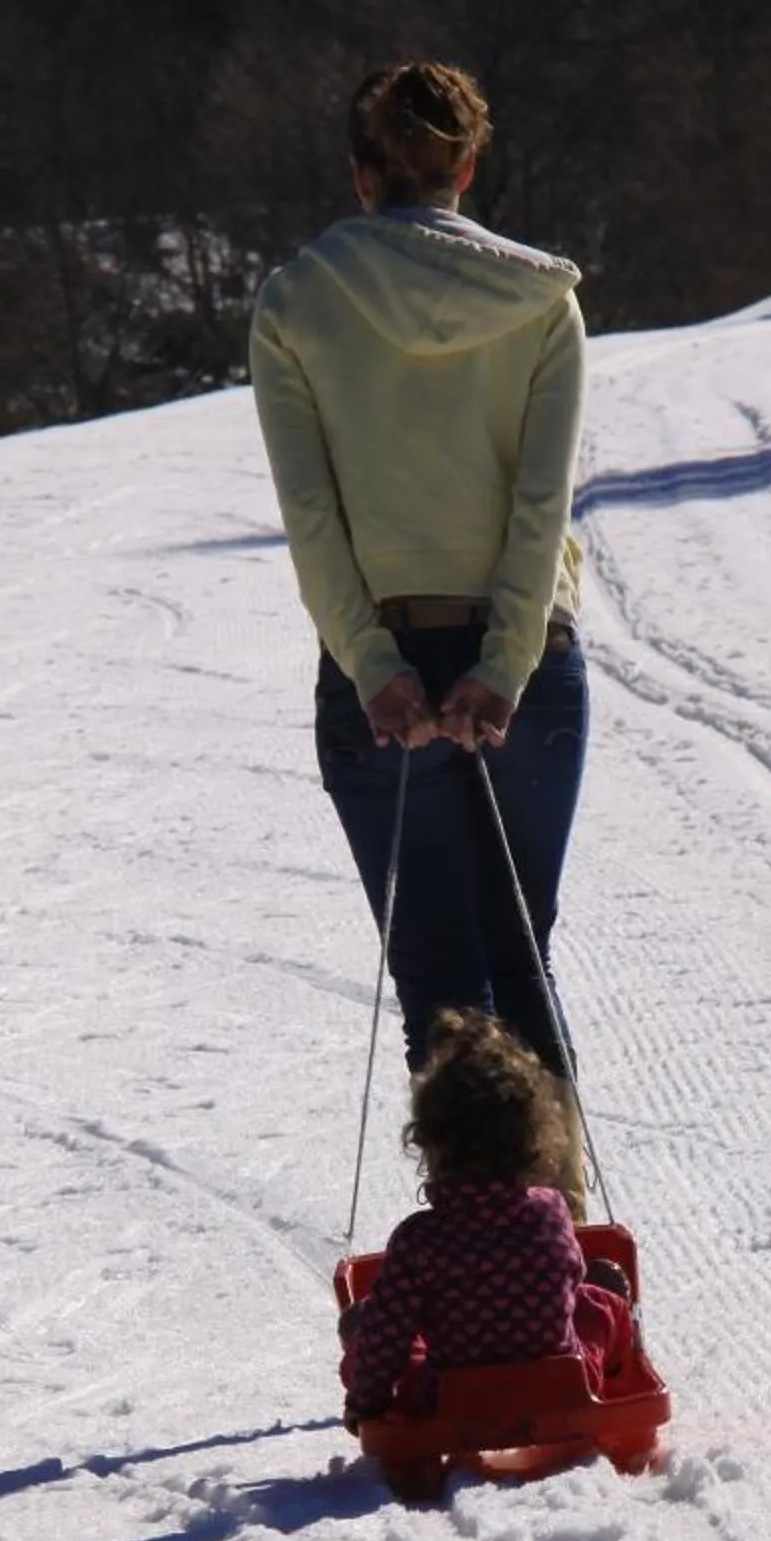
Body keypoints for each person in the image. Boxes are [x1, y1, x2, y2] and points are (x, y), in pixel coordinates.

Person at [250, 61, 592, 1101]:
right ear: (469, 167)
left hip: (382, 673)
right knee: (518, 963)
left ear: (362, 178)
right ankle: (557, 1238)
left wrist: (374, 665)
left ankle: (469, 1250)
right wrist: (502, 666)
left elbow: (314, 520)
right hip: (526, 673)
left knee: (444, 989)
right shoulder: (542, 303)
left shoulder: (296, 304)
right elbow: (541, 510)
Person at [340, 1010, 634, 1430]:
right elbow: (566, 1288)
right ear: (533, 1139)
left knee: (373, 1325)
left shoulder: (418, 1241)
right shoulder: (550, 1213)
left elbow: (387, 1340)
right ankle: (621, 1372)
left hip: (451, 1399)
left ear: (431, 1143)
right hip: (561, 1387)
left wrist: (366, 1405)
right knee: (597, 1299)